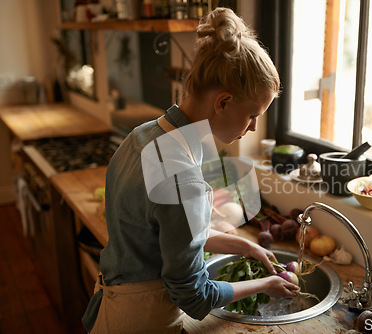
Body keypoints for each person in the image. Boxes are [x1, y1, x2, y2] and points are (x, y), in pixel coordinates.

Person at [82, 7, 299, 333]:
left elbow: (172, 237)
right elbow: (194, 295)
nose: (253, 128)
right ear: (223, 102)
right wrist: (263, 285)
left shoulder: (141, 136)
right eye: (252, 115)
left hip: (111, 304)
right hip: (142, 321)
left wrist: (246, 245)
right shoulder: (184, 177)